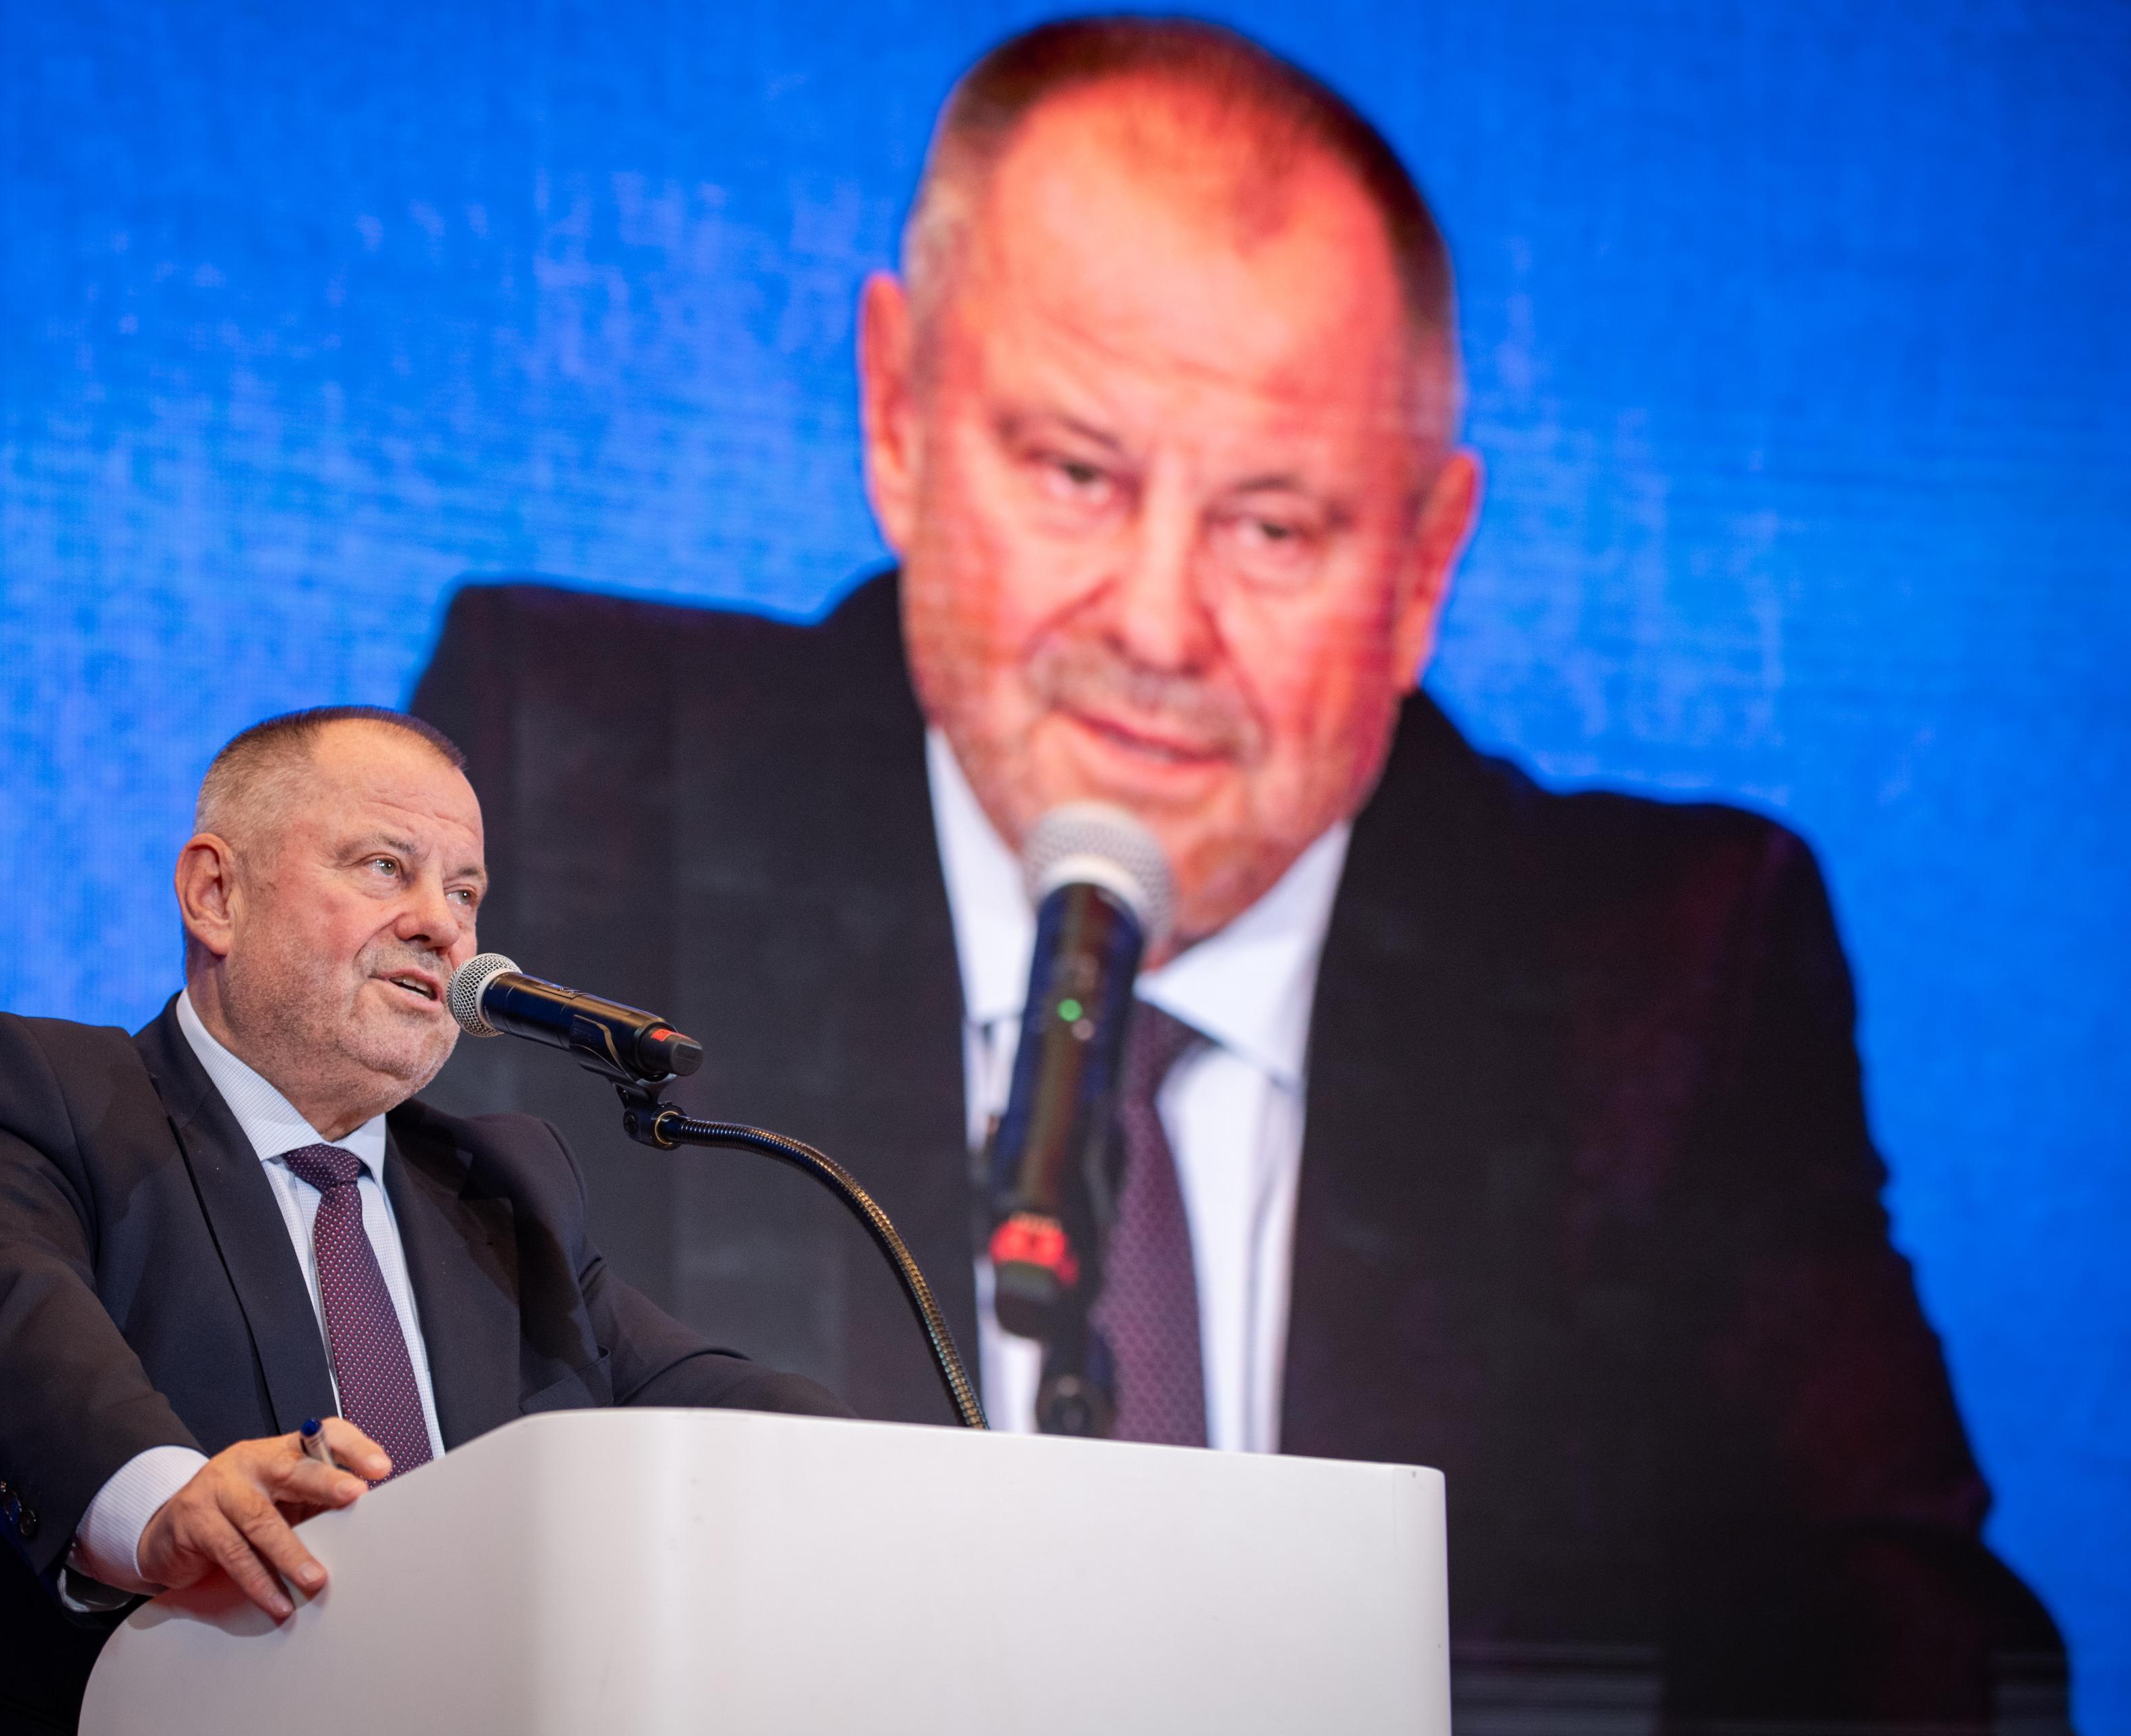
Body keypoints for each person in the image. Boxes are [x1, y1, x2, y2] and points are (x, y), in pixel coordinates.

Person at [410, 16, 2067, 1722]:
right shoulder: (572, 786)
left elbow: (1910, 1651)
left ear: (1423, 566)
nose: (1156, 624)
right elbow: (372, 1457)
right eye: (1076, 472)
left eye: (1274, 526)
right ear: (898, 416)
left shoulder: (1670, 968)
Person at [0, 707, 845, 1735]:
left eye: (464, 893)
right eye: (386, 868)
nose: (443, 927)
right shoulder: (31, 1090)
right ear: (216, 895)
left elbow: (714, 1401)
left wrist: (908, 1478)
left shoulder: (503, 1188)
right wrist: (165, 1505)